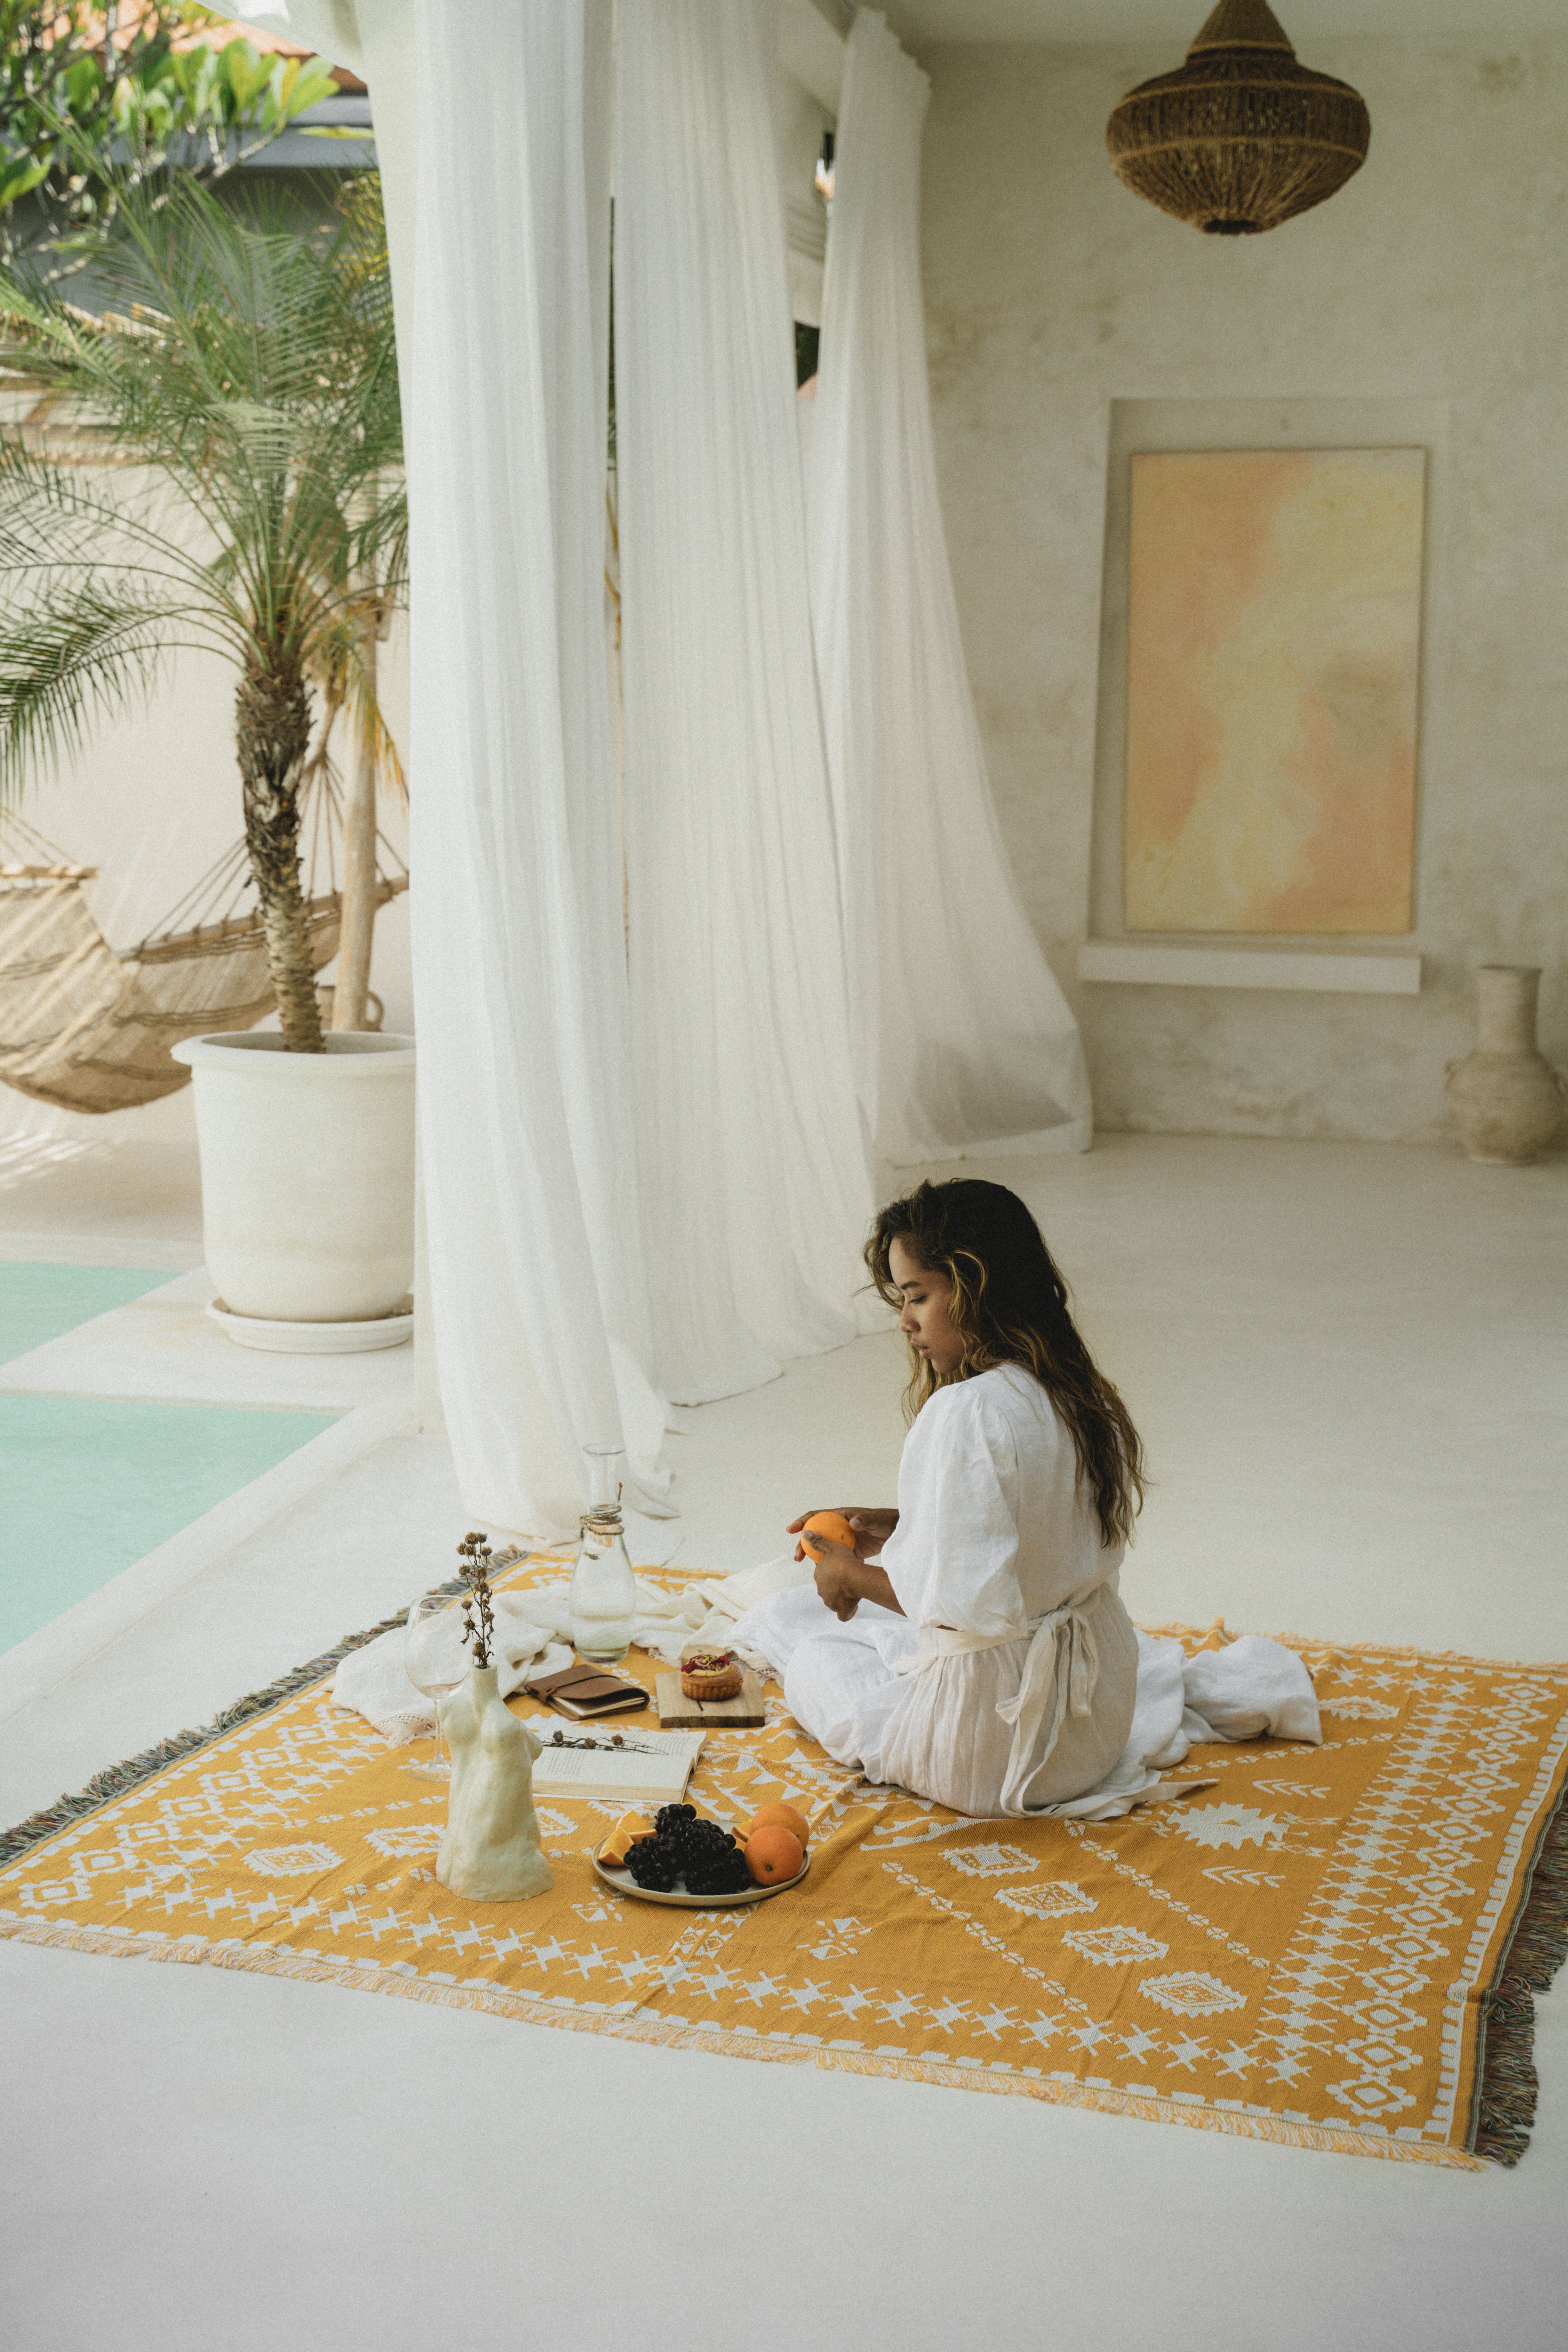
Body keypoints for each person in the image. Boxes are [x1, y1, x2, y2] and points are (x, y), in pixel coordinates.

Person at [730, 1178, 1148, 1818]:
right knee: (880, 1639)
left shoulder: (966, 1410)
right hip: (1094, 1728)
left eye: (919, 1296)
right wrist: (909, 1523)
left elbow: (957, 1610)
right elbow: (1040, 1525)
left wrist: (847, 1575)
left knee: (814, 1652)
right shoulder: (1073, 1390)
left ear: (979, 1283)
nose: (905, 1322)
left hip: (995, 1758)